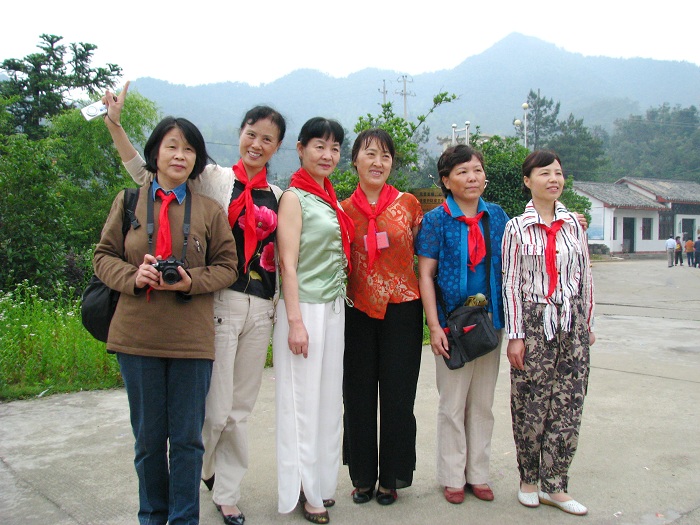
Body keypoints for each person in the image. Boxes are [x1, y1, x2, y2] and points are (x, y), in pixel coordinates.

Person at [103, 82, 287, 525]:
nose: (257, 143)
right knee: (197, 420)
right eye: (251, 133)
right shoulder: (211, 180)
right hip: (205, 310)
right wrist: (114, 126)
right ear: (239, 133)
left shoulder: (278, 196)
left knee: (229, 416)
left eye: (268, 138)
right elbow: (146, 175)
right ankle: (176, 497)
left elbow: (265, 257)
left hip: (246, 310)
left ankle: (218, 497)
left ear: (278, 147)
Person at [93, 116, 238, 525]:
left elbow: (229, 266)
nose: (180, 155)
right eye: (172, 146)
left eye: (189, 149)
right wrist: (133, 275)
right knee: (149, 441)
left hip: (191, 340)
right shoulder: (128, 202)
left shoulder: (209, 210)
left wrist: (192, 281)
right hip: (137, 338)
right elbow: (103, 256)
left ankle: (184, 519)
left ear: (197, 160)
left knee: (189, 441)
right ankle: (152, 517)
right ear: (155, 152)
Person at [501, 150, 595, 516]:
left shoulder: (574, 224)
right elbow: (510, 284)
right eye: (544, 173)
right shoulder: (516, 228)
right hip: (534, 322)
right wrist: (516, 334)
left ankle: (556, 484)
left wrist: (587, 323)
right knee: (531, 402)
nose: (553, 179)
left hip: (571, 322)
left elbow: (585, 276)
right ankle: (528, 480)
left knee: (568, 403)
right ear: (528, 181)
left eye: (558, 173)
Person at [416, 144, 509, 505]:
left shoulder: (497, 216)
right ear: (446, 180)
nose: (472, 178)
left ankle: (478, 474)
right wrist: (434, 326)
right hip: (452, 325)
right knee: (452, 403)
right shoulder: (436, 220)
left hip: (489, 322)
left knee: (483, 402)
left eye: (477, 170)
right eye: (462, 172)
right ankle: (453, 476)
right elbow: (426, 274)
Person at [273, 117, 354, 524]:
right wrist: (295, 322)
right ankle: (304, 489)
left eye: (335, 148)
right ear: (301, 149)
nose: (328, 155)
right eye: (319, 146)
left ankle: (321, 482)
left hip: (333, 309)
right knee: (302, 403)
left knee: (326, 402)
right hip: (303, 308)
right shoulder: (294, 197)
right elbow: (287, 264)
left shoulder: (328, 196)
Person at [340, 129, 424, 506]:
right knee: (357, 396)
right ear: (355, 160)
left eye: (385, 156)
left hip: (403, 311)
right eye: (370, 154)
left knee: (398, 396)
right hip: (357, 311)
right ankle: (362, 477)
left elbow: (431, 250)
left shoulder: (409, 205)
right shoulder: (342, 210)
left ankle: (391, 478)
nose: (378, 162)